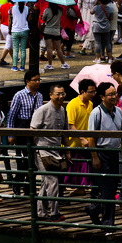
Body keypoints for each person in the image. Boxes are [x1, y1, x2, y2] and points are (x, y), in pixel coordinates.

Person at [86, 82, 122, 227]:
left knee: (112, 187)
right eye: (111, 94)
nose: (114, 96)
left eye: (115, 93)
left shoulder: (119, 112)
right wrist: (95, 157)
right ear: (102, 97)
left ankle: (93, 208)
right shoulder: (97, 113)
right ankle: (108, 223)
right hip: (101, 153)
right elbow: (91, 137)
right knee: (108, 191)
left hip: (114, 154)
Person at [31, 83, 69, 221]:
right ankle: (54, 212)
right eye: (58, 94)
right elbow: (33, 130)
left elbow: (65, 132)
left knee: (46, 183)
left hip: (57, 151)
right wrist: (35, 150)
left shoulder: (63, 110)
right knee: (52, 181)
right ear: (51, 95)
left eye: (63, 93)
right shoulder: (42, 110)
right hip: (43, 151)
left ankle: (40, 213)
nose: (61, 96)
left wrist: (67, 150)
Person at [6, 70, 43, 194]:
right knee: (29, 157)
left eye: (39, 80)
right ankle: (20, 182)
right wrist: (10, 134)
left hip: (35, 129)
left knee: (36, 158)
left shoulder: (40, 95)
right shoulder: (19, 95)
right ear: (27, 82)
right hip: (22, 127)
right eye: (35, 80)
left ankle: (26, 184)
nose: (38, 82)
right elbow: (11, 115)